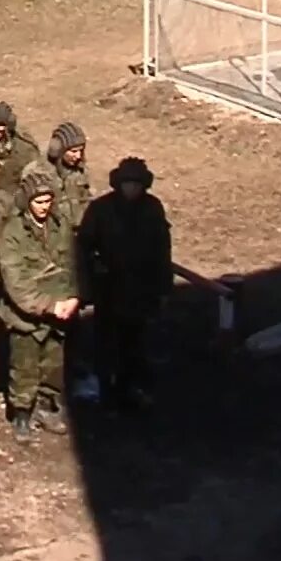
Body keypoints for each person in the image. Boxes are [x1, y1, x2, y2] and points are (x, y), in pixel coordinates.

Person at [79, 157, 174, 414]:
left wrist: (164, 289)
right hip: (109, 288)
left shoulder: (153, 209)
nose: (131, 189)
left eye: (136, 184)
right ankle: (106, 389)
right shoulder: (101, 209)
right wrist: (89, 283)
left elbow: (162, 251)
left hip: (141, 290)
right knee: (106, 342)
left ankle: (131, 387)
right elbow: (84, 246)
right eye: (127, 184)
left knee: (135, 342)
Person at [0, 170, 77, 443]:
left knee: (53, 366)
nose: (43, 207)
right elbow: (15, 281)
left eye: (47, 200)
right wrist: (48, 305)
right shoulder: (13, 233)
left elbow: (74, 265)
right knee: (24, 368)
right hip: (27, 318)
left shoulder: (60, 226)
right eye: (38, 201)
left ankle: (47, 407)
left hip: (58, 314)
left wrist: (74, 297)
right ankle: (22, 414)